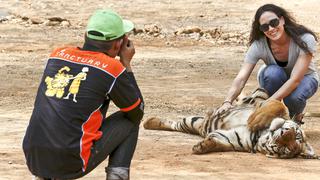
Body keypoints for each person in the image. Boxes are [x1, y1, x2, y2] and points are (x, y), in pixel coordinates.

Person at [23, 9, 144, 180]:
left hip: (33, 157)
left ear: (86, 35)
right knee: (130, 120)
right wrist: (126, 64)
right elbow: (137, 110)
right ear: (117, 45)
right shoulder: (112, 68)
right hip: (71, 161)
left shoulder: (57, 55)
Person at [216, 4, 318, 123]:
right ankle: (272, 117)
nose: (270, 29)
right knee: (272, 73)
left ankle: (295, 118)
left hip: (305, 78)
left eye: (274, 22)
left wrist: (266, 104)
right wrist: (227, 101)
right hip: (275, 77)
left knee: (293, 97)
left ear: (282, 20)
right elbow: (241, 77)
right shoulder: (258, 45)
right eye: (265, 27)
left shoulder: (305, 39)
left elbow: (295, 79)